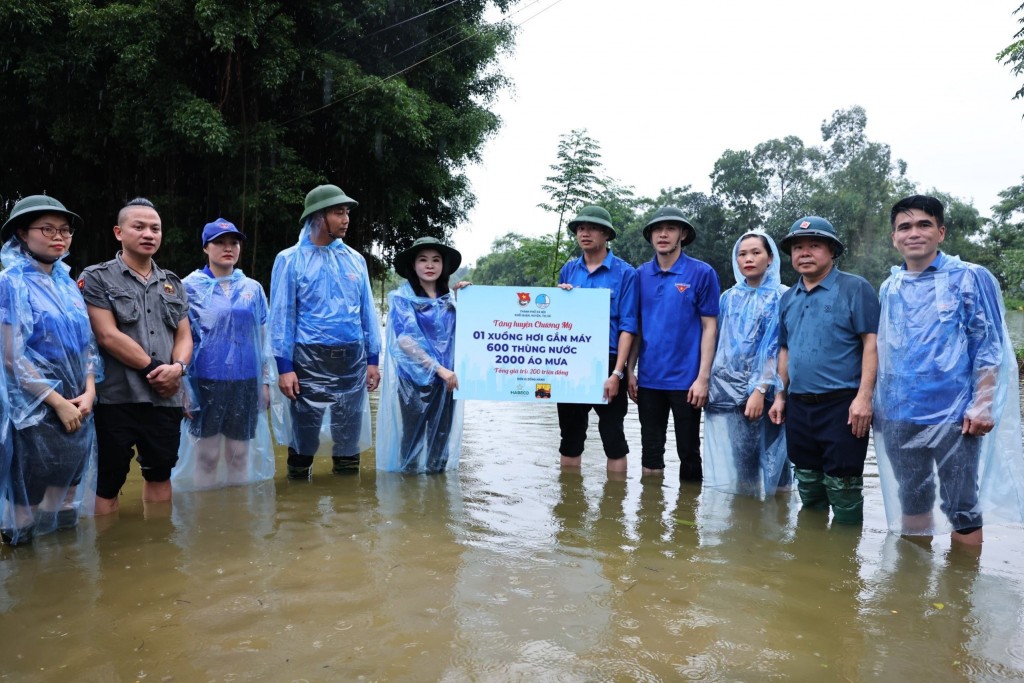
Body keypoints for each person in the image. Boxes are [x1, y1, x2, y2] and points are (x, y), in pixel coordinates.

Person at [874, 195, 1024, 546]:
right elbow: (885, 350)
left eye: (924, 224)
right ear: (894, 237)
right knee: (911, 497)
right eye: (904, 227)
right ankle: (912, 586)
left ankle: (962, 594)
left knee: (963, 507)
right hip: (900, 414)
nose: (914, 233)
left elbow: (988, 346)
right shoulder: (890, 287)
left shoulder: (970, 278)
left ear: (941, 232)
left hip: (956, 416)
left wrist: (982, 403)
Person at [0, 196, 102, 545]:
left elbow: (87, 346)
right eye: (47, 229)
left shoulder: (67, 284)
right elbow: (12, 357)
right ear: (22, 233)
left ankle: (64, 579)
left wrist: (89, 391)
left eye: (64, 230)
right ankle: (29, 583)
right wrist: (56, 402)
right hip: (35, 412)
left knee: (68, 496)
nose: (59, 237)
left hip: (79, 406)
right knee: (25, 498)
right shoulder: (10, 283)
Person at [81, 198, 192, 515]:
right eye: (139, 226)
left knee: (160, 473)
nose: (148, 234)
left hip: (165, 400)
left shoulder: (173, 283)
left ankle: (158, 547)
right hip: (117, 398)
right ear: (119, 232)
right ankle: (109, 554)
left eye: (155, 228)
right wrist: (160, 372)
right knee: (109, 481)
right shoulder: (98, 277)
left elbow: (184, 335)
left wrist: (179, 368)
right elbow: (107, 335)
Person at [768, 216, 879, 525]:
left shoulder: (855, 288)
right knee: (809, 484)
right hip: (799, 406)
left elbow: (872, 343)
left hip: (842, 404)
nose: (805, 253)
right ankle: (811, 556)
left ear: (832, 250)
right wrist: (779, 396)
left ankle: (843, 562)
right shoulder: (788, 298)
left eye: (814, 245)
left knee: (843, 488)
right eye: (798, 247)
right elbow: (785, 349)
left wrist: (864, 398)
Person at [269, 184, 382, 479]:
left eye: (346, 213)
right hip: (307, 359)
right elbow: (282, 317)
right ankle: (297, 505)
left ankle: (347, 506)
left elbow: (367, 312)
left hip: (351, 359)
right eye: (338, 212)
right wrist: (284, 367)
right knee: (304, 433)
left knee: (348, 435)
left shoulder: (354, 260)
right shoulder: (289, 260)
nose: (346, 219)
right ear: (318, 216)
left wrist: (373, 360)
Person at [173, 218, 275, 491]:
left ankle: (236, 519)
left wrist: (265, 383)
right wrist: (183, 388)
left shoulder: (252, 289)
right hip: (205, 381)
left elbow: (264, 338)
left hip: (245, 380)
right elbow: (180, 338)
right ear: (206, 247)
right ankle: (206, 519)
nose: (228, 248)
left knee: (239, 454)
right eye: (219, 242)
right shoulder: (188, 287)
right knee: (207, 455)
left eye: (234, 242)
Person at [626, 206, 720, 481]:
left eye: (670, 228)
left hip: (687, 382)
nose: (663, 234)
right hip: (649, 381)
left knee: (689, 451)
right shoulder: (640, 275)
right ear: (650, 236)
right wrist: (631, 371)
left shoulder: (702, 273)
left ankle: (687, 519)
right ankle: (650, 518)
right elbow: (636, 328)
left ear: (683, 234)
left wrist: (703, 378)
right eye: (657, 229)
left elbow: (709, 326)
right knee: (651, 452)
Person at [704, 230, 791, 497]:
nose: (748, 259)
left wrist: (760, 389)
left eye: (756, 253)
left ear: (770, 258)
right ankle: (745, 521)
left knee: (776, 461)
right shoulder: (728, 297)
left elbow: (775, 347)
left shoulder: (783, 295)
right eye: (742, 254)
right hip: (728, 394)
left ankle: (778, 522)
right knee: (743, 461)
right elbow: (721, 345)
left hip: (768, 394)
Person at [556, 206, 637, 474]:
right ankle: (570, 506)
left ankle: (613, 509)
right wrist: (561, 297)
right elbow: (557, 320)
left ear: (606, 234)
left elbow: (628, 326)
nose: (584, 233)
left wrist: (618, 373)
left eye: (592, 228)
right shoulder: (568, 270)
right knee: (570, 439)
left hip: (609, 362)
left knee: (613, 438)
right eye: (580, 228)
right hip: (570, 360)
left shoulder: (626, 273)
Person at [376, 237, 469, 474]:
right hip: (415, 382)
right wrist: (438, 368)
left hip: (448, 382)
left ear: (443, 266)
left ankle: (436, 501)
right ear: (413, 265)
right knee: (412, 442)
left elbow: (474, 333)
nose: (430, 265)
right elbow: (406, 341)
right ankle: (410, 500)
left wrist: (468, 300)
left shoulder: (451, 300)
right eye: (423, 260)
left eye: (436, 260)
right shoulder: (402, 299)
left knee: (440, 440)